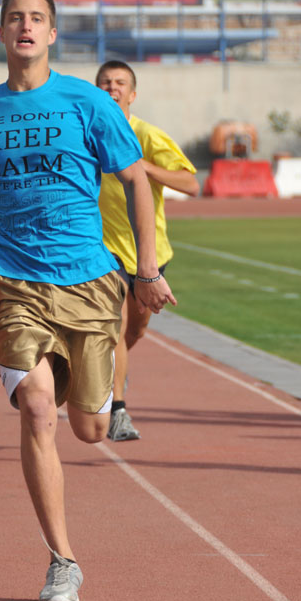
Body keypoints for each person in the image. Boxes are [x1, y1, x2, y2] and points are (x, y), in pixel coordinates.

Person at [0, 0, 176, 601]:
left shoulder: (87, 103)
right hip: (9, 276)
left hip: (89, 279)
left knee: (92, 429)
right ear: (1, 32)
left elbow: (136, 180)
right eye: (14, 17)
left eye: (36, 17)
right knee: (38, 405)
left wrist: (146, 271)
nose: (25, 26)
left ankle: (94, 396)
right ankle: (62, 562)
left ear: (51, 33)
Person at [96, 61, 199, 442]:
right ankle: (118, 411)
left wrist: (145, 169)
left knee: (133, 330)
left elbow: (190, 184)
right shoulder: (88, 134)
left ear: (132, 94)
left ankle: (116, 372)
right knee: (115, 328)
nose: (112, 88)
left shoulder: (147, 134)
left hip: (148, 253)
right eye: (105, 82)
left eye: (120, 83)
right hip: (103, 250)